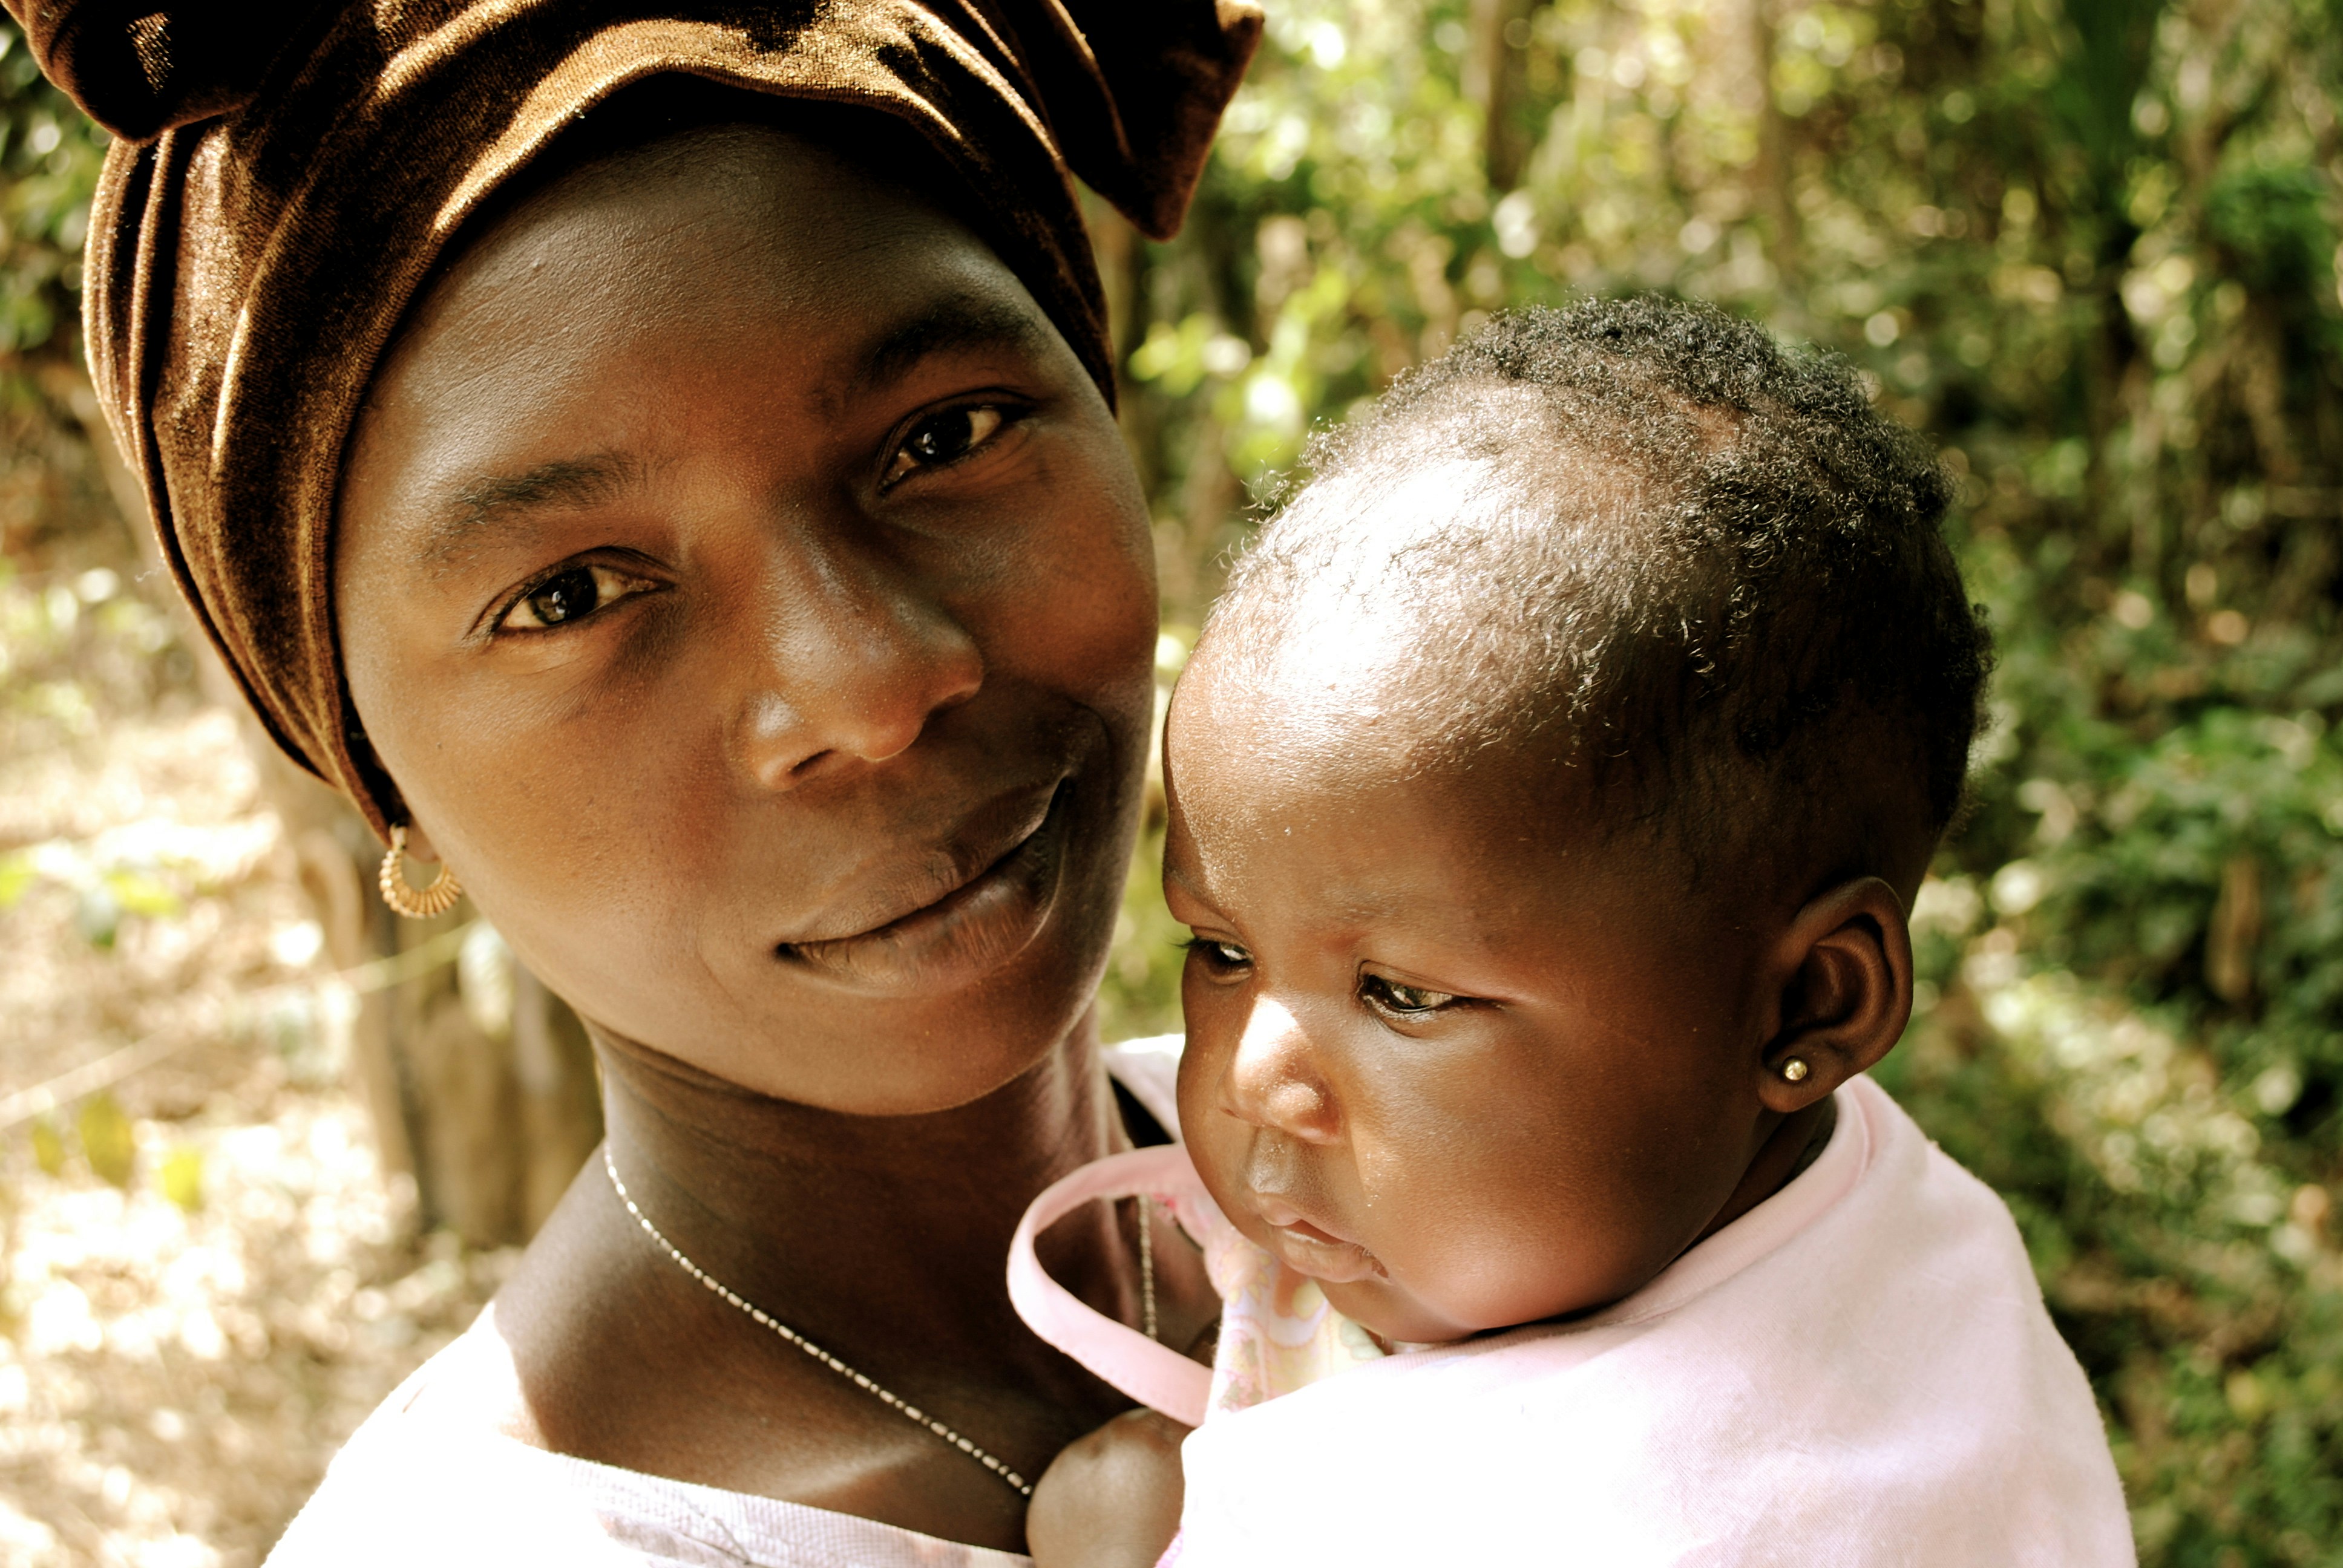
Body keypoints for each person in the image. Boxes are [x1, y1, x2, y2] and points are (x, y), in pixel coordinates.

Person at [10, 1, 1261, 1561]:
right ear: (377, 775)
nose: (868, 685)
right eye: (570, 595)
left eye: (946, 437)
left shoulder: (1473, 1156)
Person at [1012, 299, 2138, 1566]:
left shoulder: (1602, 1523)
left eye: (1401, 994)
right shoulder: (1883, 1220)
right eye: (1224, 954)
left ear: (1811, 1006)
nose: (1251, 1079)